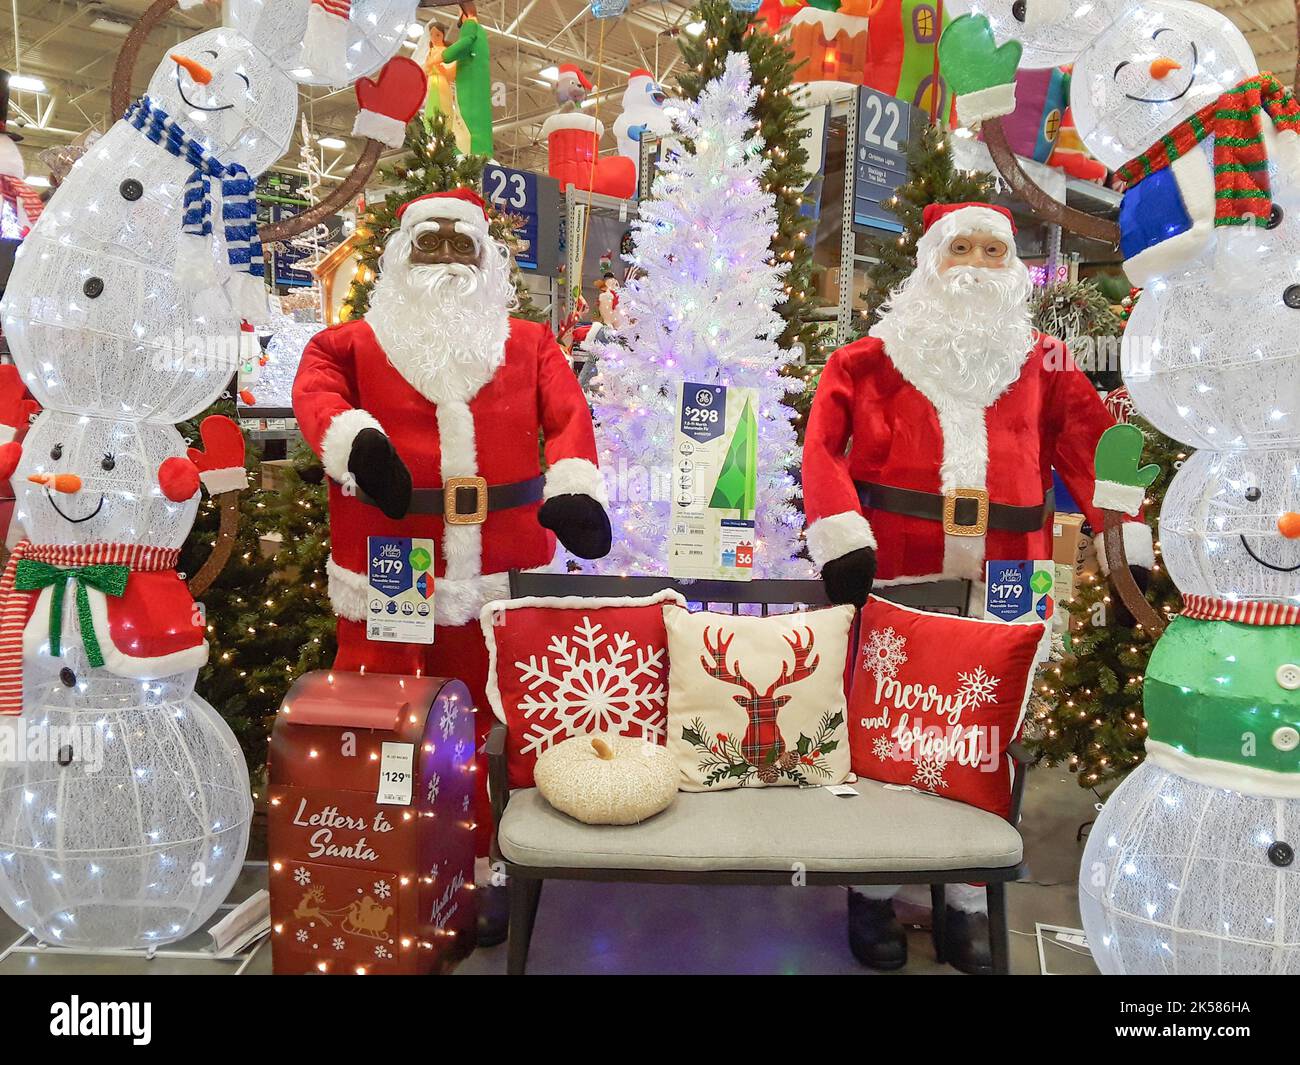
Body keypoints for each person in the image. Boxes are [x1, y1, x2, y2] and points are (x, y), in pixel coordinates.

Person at [803, 201, 1151, 973]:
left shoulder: (1046, 360)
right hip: (899, 569)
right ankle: (873, 889)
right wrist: (842, 533)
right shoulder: (869, 357)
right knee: (886, 729)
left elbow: (1098, 446)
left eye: (992, 250)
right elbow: (822, 447)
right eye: (959, 246)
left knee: (990, 728)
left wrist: (1128, 540)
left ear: (1013, 267)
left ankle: (965, 895)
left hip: (1011, 573)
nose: (975, 263)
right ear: (930, 260)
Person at [293, 188, 611, 944]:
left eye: (458, 246)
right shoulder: (355, 344)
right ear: (400, 258)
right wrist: (356, 442)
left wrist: (572, 488)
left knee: (500, 722)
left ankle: (490, 863)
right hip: (391, 571)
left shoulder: (530, 344)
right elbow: (316, 389)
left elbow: (570, 417)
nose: (443, 261)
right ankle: (394, 863)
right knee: (388, 722)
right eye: (427, 245)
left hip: (498, 577)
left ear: (487, 258)